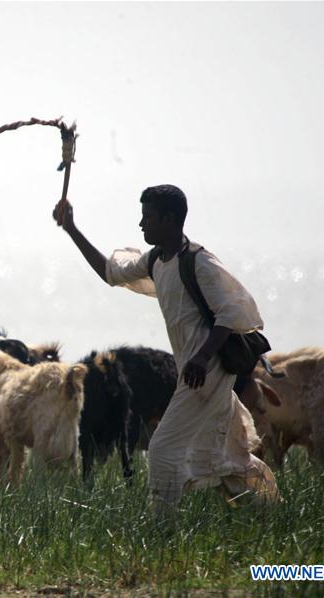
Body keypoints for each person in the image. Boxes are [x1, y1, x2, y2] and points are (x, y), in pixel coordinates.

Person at [53, 184, 279, 511]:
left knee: (160, 448)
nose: (141, 224)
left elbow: (232, 312)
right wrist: (72, 229)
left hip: (207, 372)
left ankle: (163, 527)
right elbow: (110, 272)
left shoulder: (199, 262)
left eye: (148, 217)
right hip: (195, 371)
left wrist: (201, 357)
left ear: (169, 219)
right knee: (219, 454)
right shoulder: (156, 261)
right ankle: (267, 508)